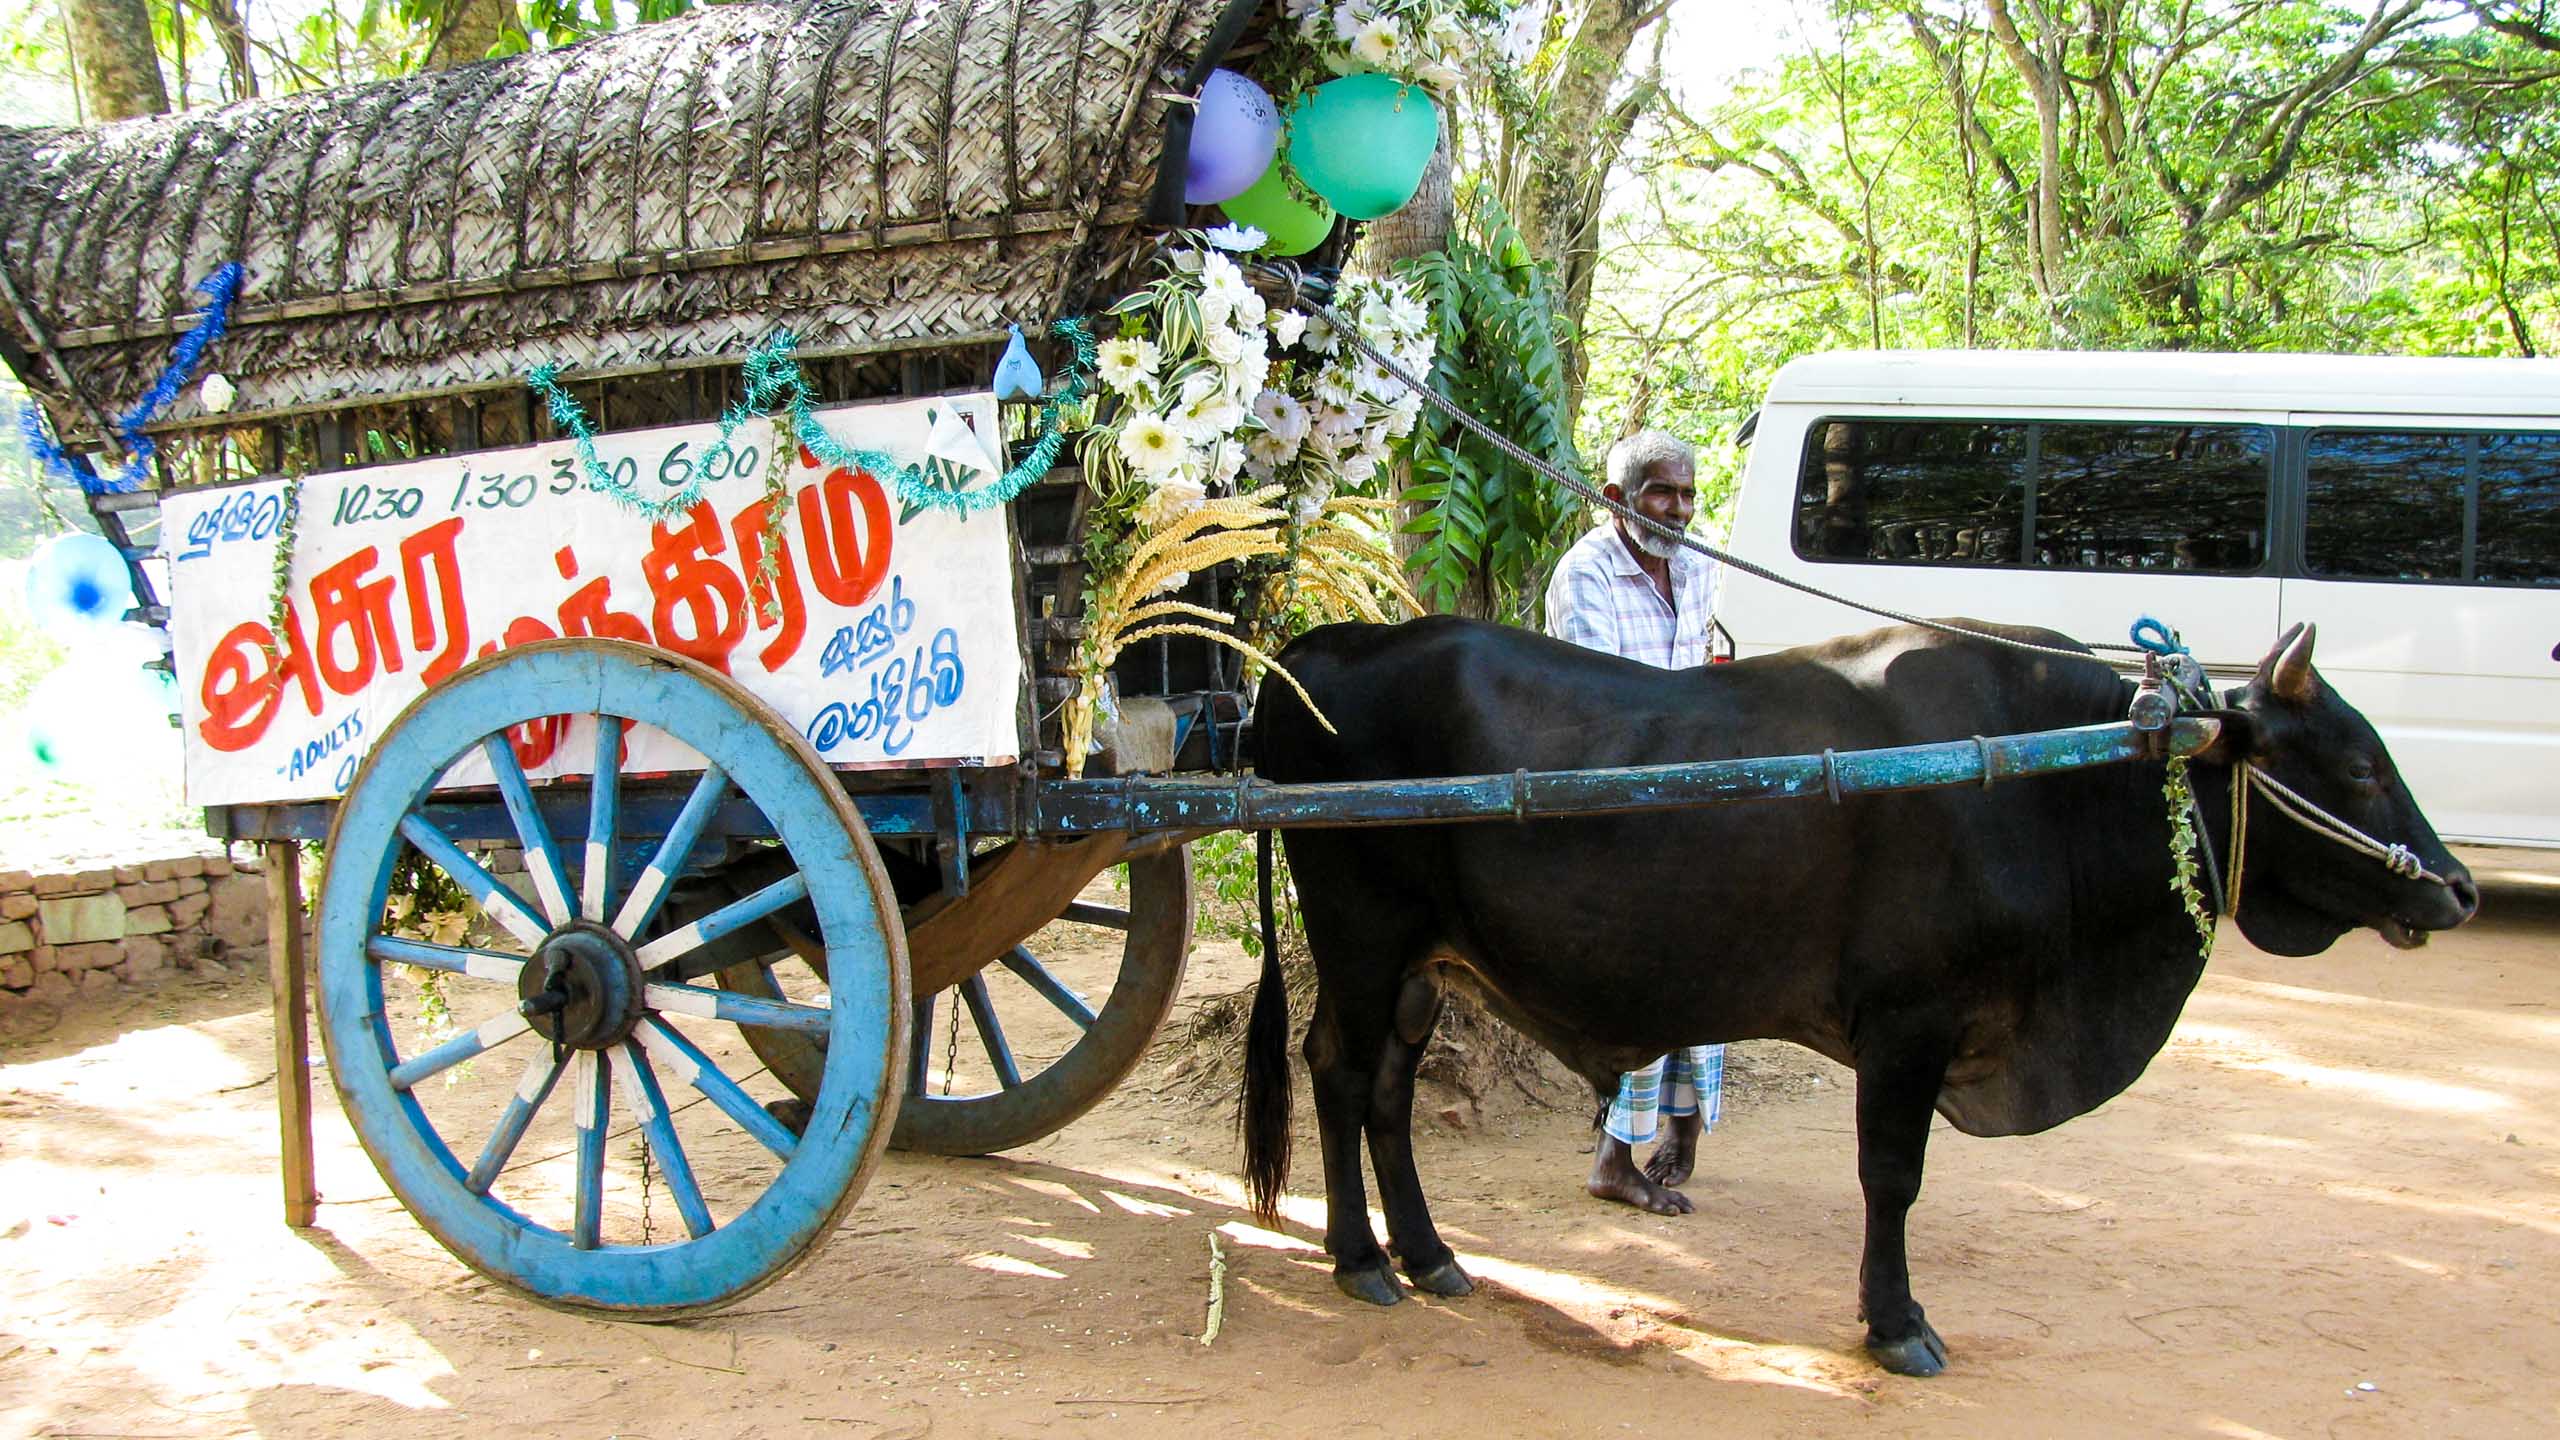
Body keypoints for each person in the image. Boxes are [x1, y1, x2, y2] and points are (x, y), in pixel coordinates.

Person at [1541, 428, 1725, 1216]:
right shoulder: (1586, 572)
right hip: (1618, 803)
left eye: (1686, 494)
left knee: (1719, 958)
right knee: (1652, 972)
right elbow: (1603, 711)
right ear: (1617, 500)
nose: (1677, 509)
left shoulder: (1702, 562)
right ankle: (1614, 1156)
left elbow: (1701, 683)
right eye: (1660, 493)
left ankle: (1683, 1125)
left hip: (1686, 797)